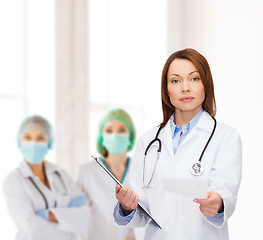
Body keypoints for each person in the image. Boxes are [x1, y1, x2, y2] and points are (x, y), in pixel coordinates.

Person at [113, 48, 242, 239]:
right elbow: (142, 212)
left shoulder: (226, 137)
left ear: (206, 84)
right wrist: (126, 206)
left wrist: (219, 203)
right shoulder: (147, 142)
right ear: (167, 90)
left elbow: (225, 194)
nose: (185, 88)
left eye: (194, 79)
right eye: (175, 80)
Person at [3, 115, 91, 240]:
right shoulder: (13, 180)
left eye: (40, 138)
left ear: (49, 142)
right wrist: (68, 223)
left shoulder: (60, 174)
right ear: (19, 142)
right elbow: (32, 231)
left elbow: (84, 217)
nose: (33, 143)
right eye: (27, 138)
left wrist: (46, 215)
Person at [77, 108, 137, 240]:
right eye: (109, 130)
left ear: (130, 134)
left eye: (121, 130)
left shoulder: (141, 170)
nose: (115, 135)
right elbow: (78, 219)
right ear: (101, 137)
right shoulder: (86, 172)